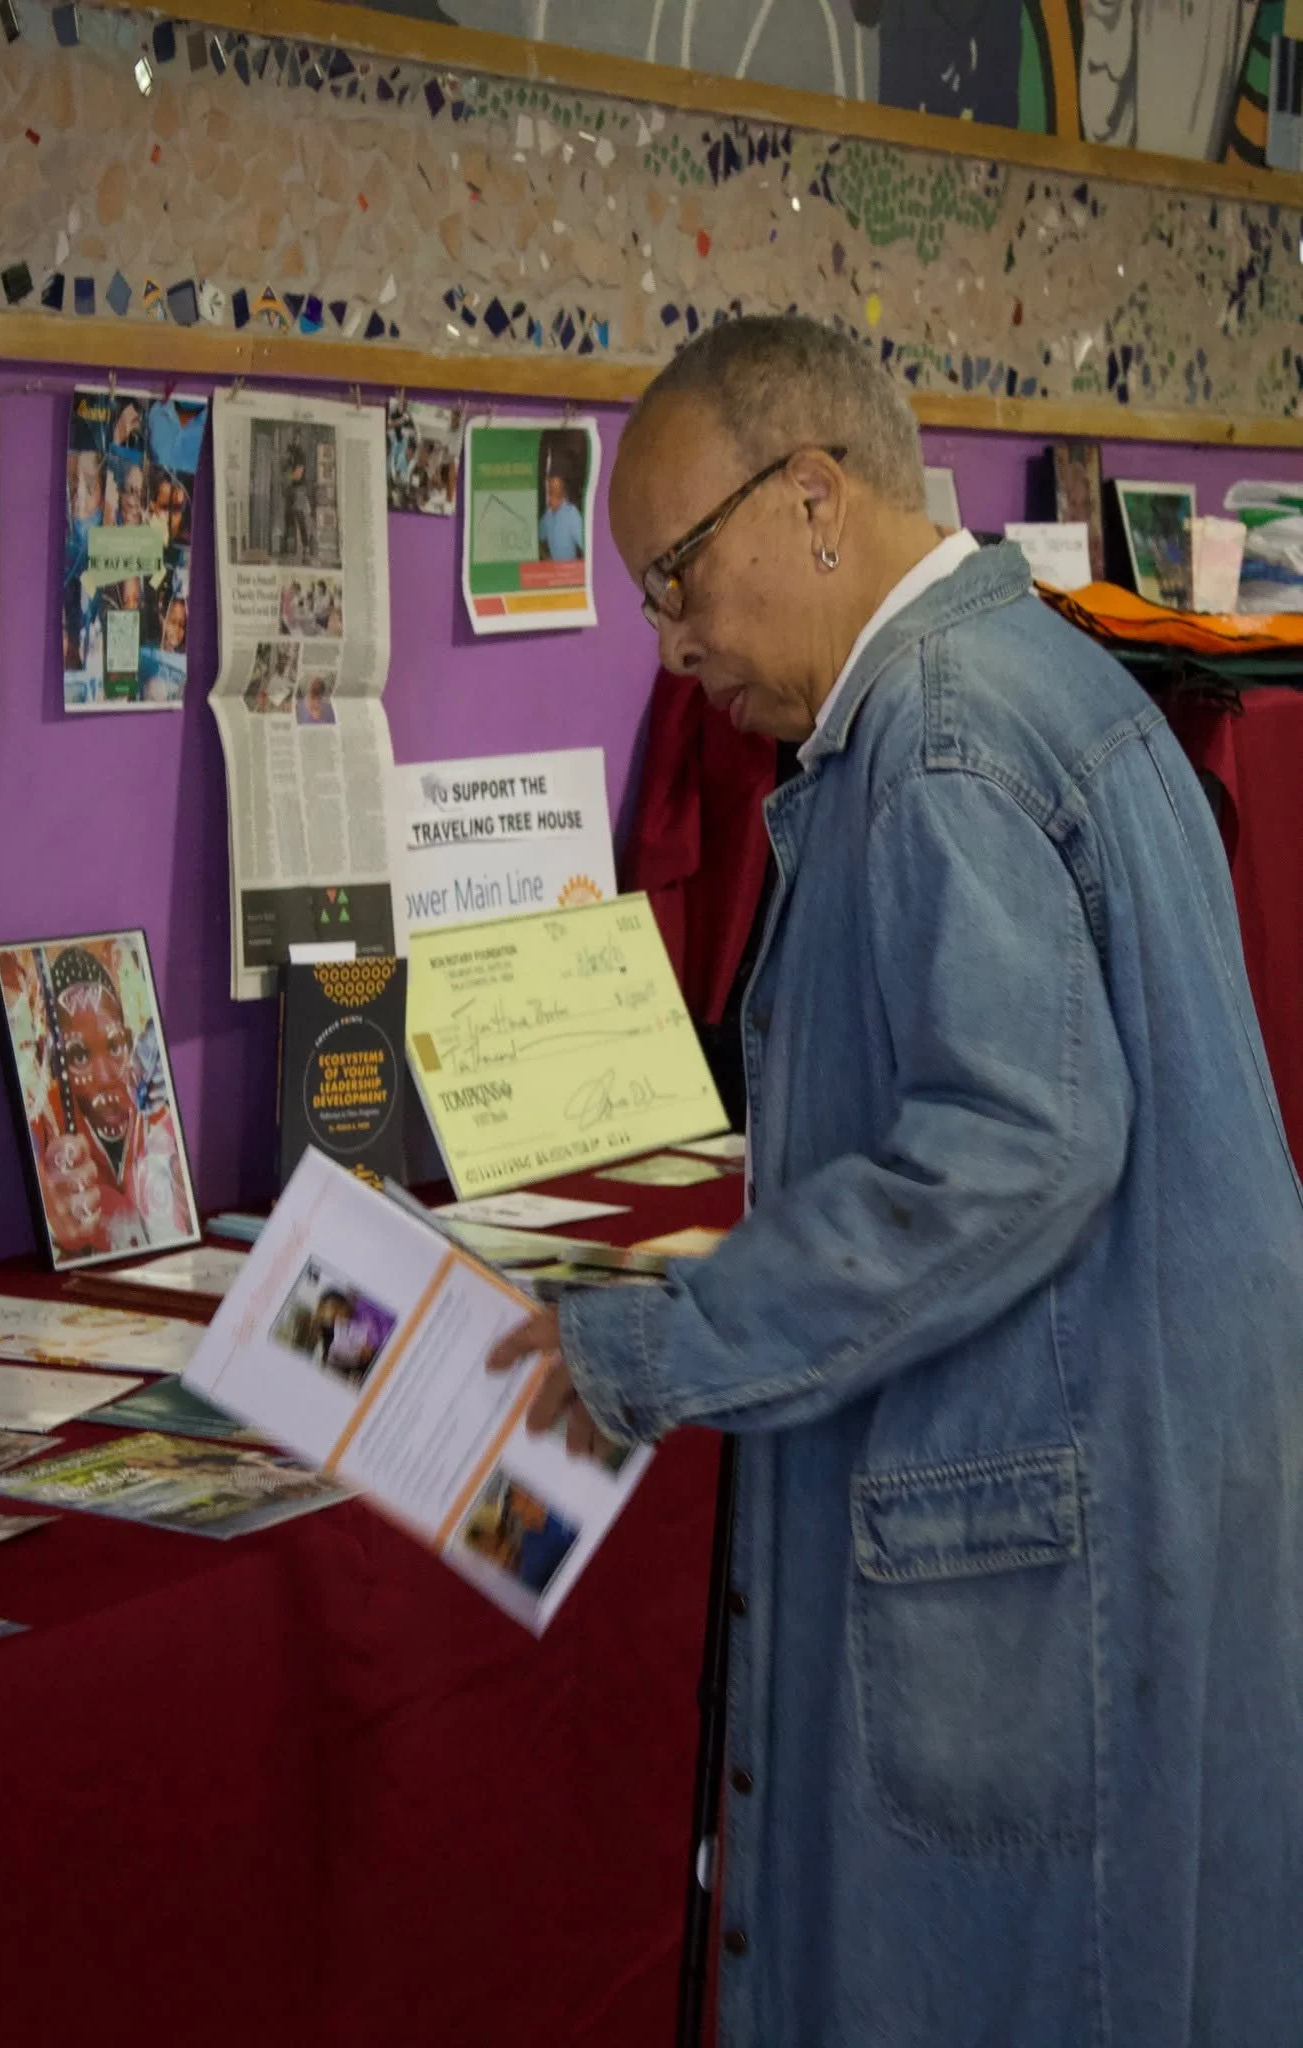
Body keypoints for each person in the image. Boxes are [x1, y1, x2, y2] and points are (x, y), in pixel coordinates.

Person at [488, 316, 1303, 2046]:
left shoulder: (937, 739)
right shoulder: (1037, 678)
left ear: (814, 499)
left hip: (1047, 1528)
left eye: (678, 575)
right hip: (1160, 1480)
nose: (674, 641)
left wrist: (667, 1338)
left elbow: (1014, 1146)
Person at [29, 944, 192, 1261]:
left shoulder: (157, 1114)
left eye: (115, 1046)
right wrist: (52, 1224)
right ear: (53, 1063)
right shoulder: (46, 1123)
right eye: (79, 1055)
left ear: (130, 1042)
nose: (104, 1076)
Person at [538, 471, 584, 561]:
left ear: (562, 490)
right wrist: (545, 557)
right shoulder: (548, 514)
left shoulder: (571, 513)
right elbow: (538, 538)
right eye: (549, 489)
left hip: (570, 568)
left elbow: (588, 547)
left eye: (552, 490)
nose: (549, 494)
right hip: (552, 568)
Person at [282, 438, 312, 560]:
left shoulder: (299, 456)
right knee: (290, 517)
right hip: (294, 489)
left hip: (299, 490)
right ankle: (291, 548)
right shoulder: (294, 458)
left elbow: (297, 475)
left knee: (300, 518)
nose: (287, 456)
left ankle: (306, 548)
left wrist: (287, 476)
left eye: (287, 454)